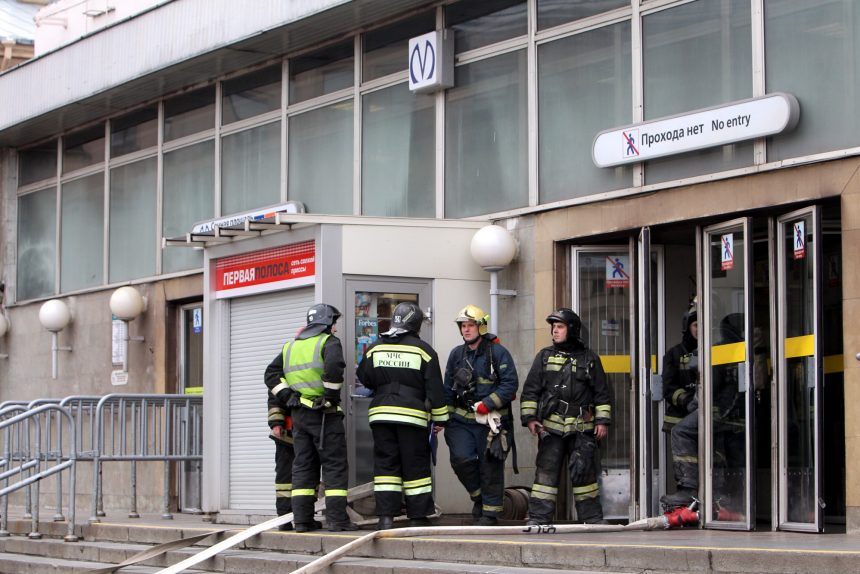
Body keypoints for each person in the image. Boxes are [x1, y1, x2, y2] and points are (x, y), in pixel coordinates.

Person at [356, 302, 449, 530]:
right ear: (416, 324)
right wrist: (440, 419)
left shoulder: (376, 347)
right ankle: (417, 516)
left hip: (381, 415)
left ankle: (386, 517)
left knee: (386, 466)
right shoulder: (424, 351)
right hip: (412, 416)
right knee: (415, 465)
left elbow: (364, 378)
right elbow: (435, 389)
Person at [265, 303, 357, 532]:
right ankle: (337, 520)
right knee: (334, 466)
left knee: (303, 467)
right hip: (324, 414)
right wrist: (330, 397)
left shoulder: (290, 347)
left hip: (300, 417)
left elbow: (270, 374)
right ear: (328, 323)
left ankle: (303, 521)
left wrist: (288, 396)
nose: (335, 328)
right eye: (334, 323)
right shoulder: (328, 342)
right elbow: (335, 368)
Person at [520, 308, 611, 525]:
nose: (555, 331)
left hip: (582, 428)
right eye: (553, 327)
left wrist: (602, 421)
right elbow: (530, 390)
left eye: (559, 327)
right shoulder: (544, 356)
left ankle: (592, 519)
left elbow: (602, 393)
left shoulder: (590, 358)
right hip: (551, 428)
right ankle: (538, 518)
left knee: (584, 474)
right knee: (546, 474)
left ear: (572, 329)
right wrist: (531, 419)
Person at [441, 305, 519, 526]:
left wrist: (487, 404)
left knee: (489, 465)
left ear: (480, 327)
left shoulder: (498, 353)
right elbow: (447, 388)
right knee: (461, 459)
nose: (466, 330)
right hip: (461, 421)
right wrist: (442, 418)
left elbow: (510, 384)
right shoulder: (457, 354)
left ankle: (490, 513)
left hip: (490, 422)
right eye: (463, 326)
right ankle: (479, 497)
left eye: (470, 325)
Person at [659, 304, 699, 508]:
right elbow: (668, 387)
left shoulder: (714, 351)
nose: (698, 329)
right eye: (695, 324)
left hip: (706, 415)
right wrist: (685, 400)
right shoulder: (674, 354)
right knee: (685, 457)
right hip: (680, 416)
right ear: (687, 327)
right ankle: (686, 493)